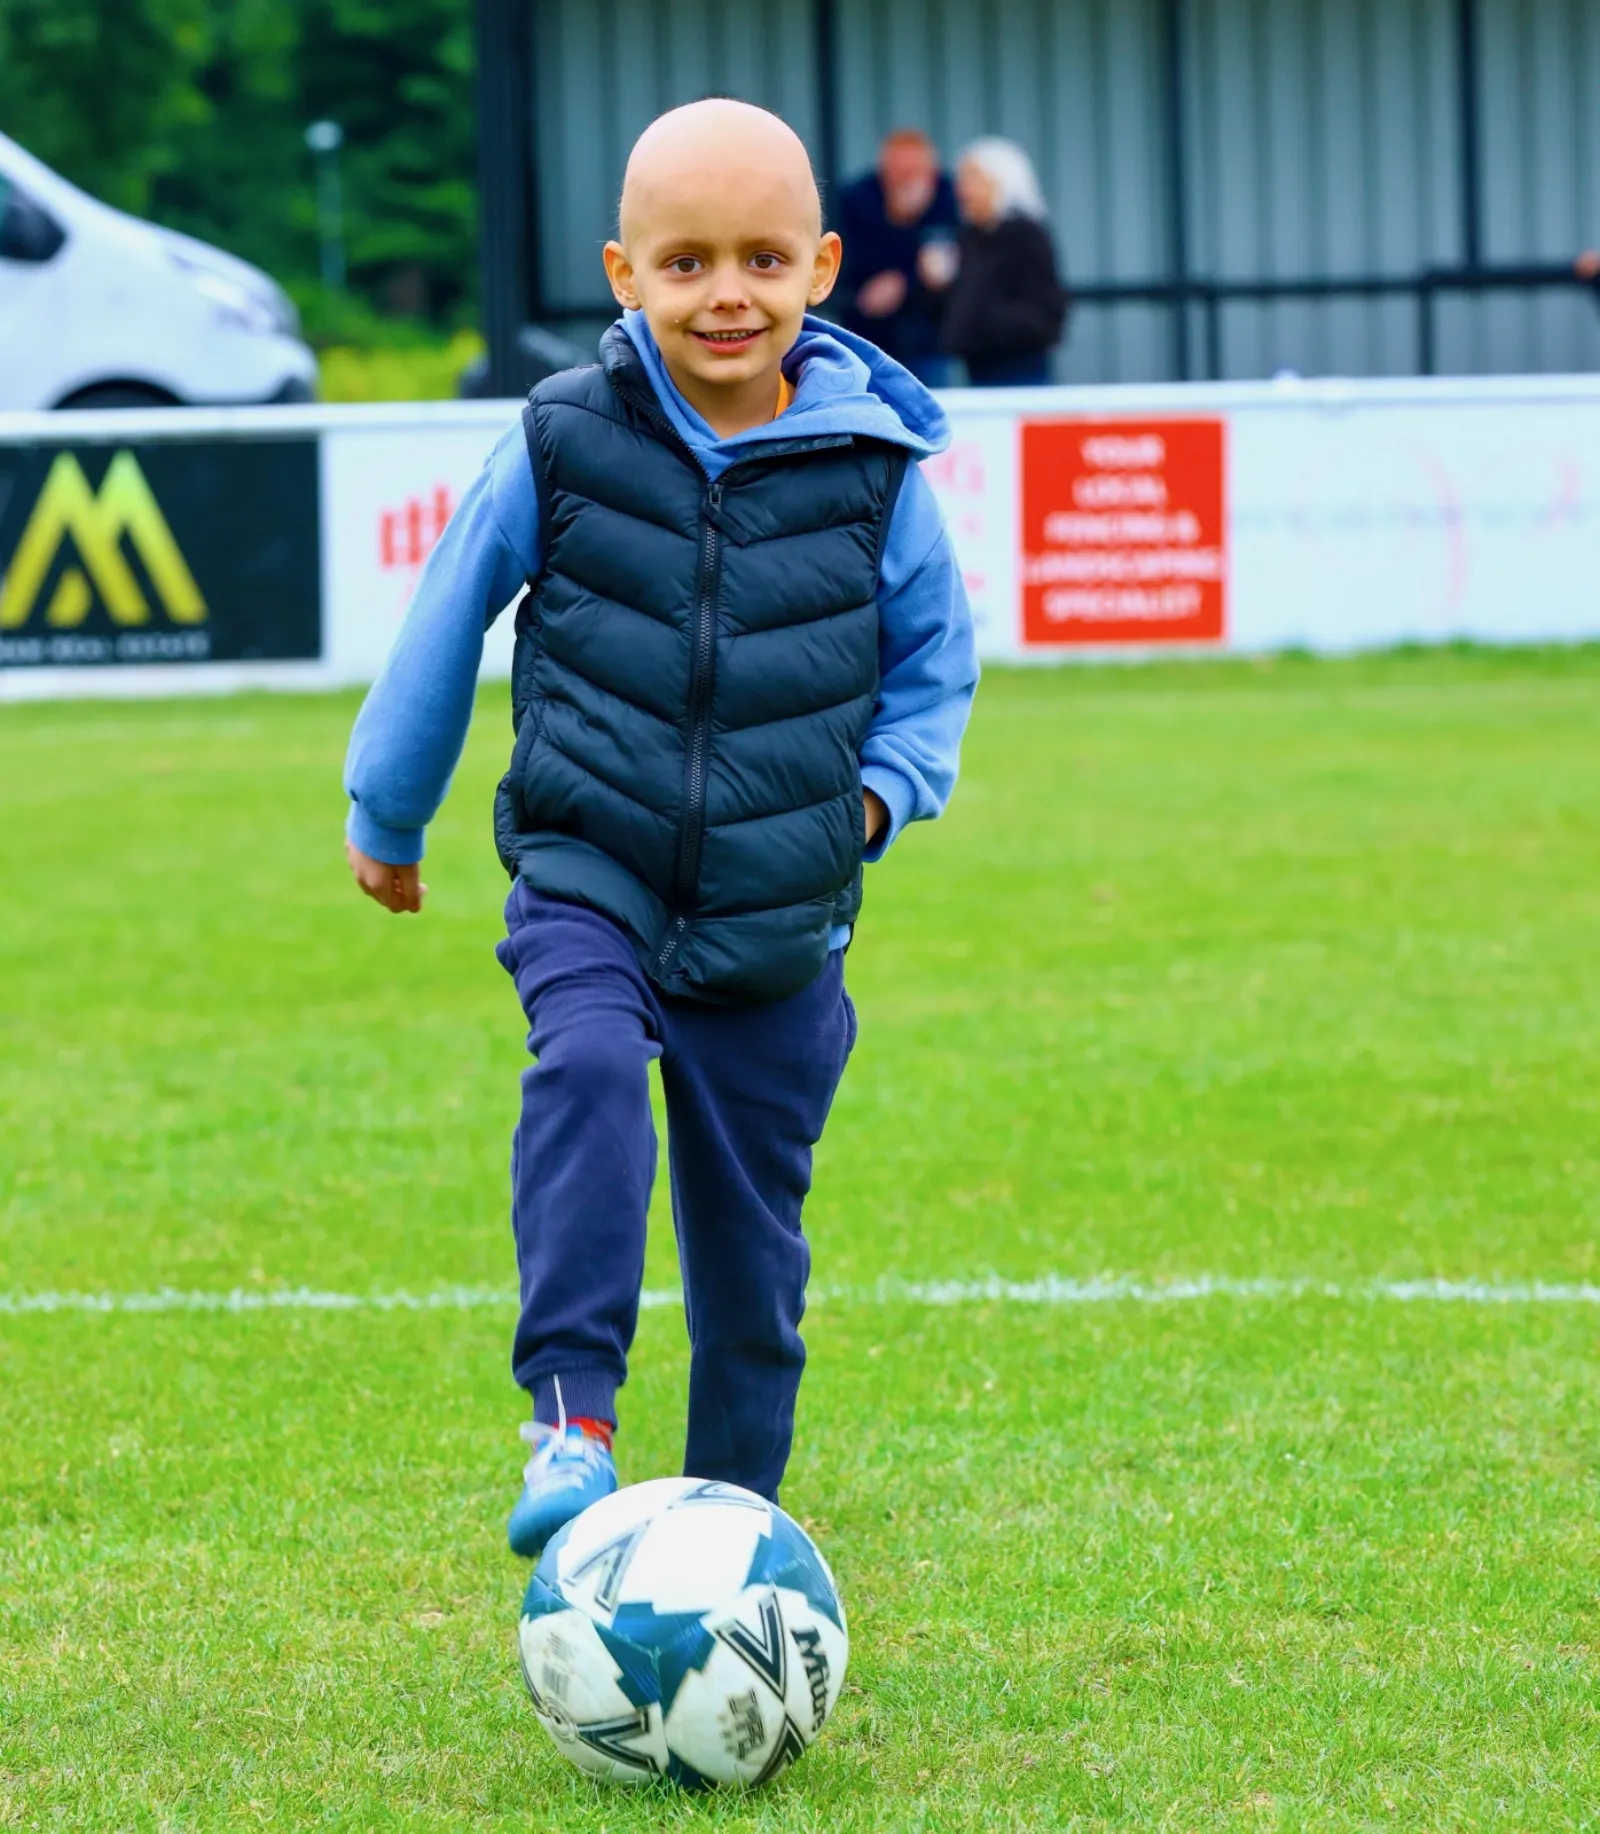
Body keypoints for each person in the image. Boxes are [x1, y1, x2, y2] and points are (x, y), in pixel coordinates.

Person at [341, 99, 978, 1556]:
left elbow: (937, 667)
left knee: (755, 1258)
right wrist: (388, 805)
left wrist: (873, 798)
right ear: (624, 276)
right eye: (685, 263)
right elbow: (448, 614)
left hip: (780, 914)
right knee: (581, 1062)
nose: (728, 294)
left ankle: (734, 1536)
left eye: (762, 258)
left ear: (821, 267)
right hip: (591, 863)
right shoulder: (565, 437)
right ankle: (572, 1416)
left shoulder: (874, 468)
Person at [928, 136, 1067, 387]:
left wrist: (982, 320)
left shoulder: (1027, 235)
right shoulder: (970, 237)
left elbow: (1046, 313)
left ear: (1002, 182)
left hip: (1019, 370)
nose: (962, 190)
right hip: (977, 368)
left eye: (973, 179)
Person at [834, 128, 961, 387]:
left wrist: (905, 281)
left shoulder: (949, 198)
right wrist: (897, 220)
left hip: (929, 337)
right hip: (869, 335)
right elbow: (849, 260)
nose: (907, 180)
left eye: (915, 172)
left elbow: (949, 266)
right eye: (899, 171)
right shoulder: (859, 198)